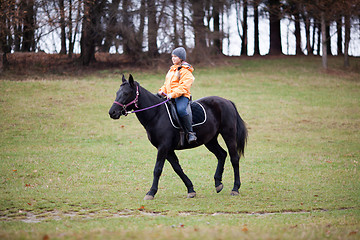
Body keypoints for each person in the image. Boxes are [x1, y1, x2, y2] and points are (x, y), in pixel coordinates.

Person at [158, 47, 197, 144]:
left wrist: (172, 94)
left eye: (175, 56)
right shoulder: (171, 70)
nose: (173, 58)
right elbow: (167, 84)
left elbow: (184, 87)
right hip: (170, 96)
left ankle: (190, 133)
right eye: (172, 56)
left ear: (181, 58)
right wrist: (162, 91)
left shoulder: (186, 71)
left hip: (182, 97)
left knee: (181, 110)